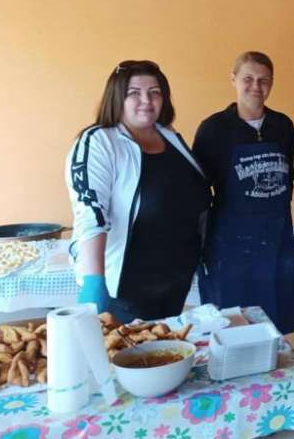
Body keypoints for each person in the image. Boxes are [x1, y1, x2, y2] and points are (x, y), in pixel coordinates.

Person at [66, 60, 209, 322]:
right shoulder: (99, 142)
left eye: (154, 92)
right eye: (134, 93)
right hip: (124, 289)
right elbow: (91, 213)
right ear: (117, 97)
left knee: (165, 346)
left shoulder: (169, 136)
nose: (146, 100)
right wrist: (94, 280)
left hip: (174, 281)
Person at [193, 51, 294, 334]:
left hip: (276, 235)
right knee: (234, 319)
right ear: (233, 79)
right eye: (248, 79)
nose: (256, 86)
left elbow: (288, 174)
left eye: (264, 80)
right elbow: (198, 189)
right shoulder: (213, 129)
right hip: (230, 239)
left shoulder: (283, 125)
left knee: (275, 316)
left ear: (272, 83)